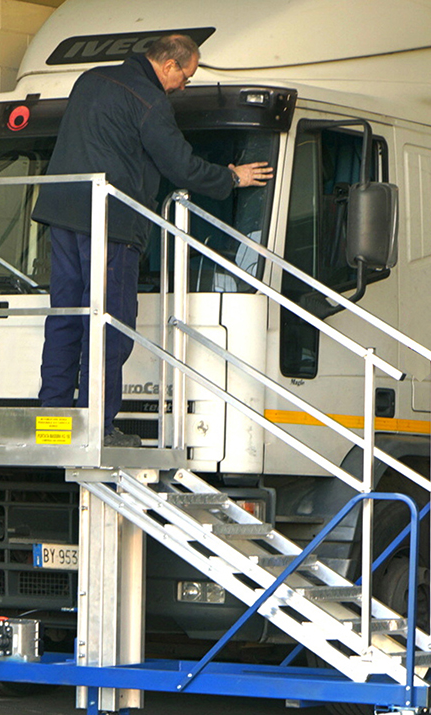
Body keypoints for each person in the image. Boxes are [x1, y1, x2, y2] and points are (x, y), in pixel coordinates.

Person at [32, 34, 273, 447]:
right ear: (169, 66)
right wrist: (232, 177)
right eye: (186, 77)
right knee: (109, 324)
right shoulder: (150, 101)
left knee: (66, 318)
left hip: (62, 215)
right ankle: (96, 429)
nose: (184, 86)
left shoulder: (90, 80)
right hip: (110, 224)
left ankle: (52, 425)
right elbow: (181, 166)